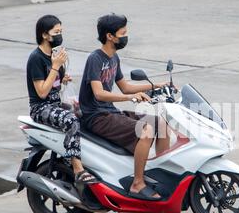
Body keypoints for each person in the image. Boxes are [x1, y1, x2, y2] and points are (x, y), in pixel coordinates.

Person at [79, 13, 171, 200]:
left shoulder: (114, 58)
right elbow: (98, 93)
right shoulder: (95, 59)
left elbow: (126, 87)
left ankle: (162, 175)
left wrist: (156, 85)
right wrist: (128, 98)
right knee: (146, 130)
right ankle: (137, 183)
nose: (125, 37)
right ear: (109, 36)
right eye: (123, 33)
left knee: (161, 124)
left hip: (109, 111)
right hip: (96, 116)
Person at [26, 15, 96, 196]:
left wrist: (62, 77)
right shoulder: (36, 58)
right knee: (72, 120)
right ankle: (78, 168)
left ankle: (90, 161)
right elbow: (41, 92)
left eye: (61, 32)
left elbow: (55, 84)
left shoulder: (54, 54)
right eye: (56, 32)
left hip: (56, 104)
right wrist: (56, 67)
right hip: (41, 109)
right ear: (44, 35)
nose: (59, 35)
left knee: (86, 112)